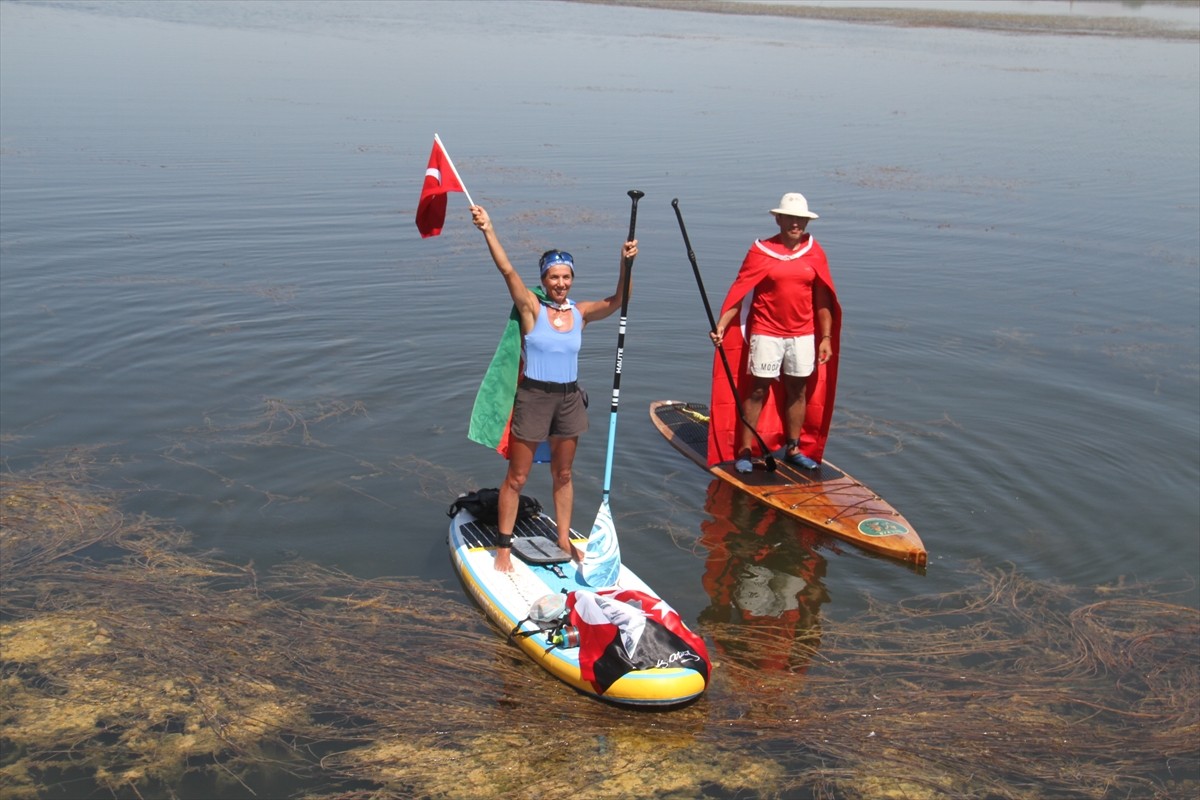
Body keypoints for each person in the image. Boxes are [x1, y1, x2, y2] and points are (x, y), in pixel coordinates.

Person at [470, 205, 637, 572]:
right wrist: (489, 229)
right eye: (554, 277)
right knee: (517, 476)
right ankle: (503, 545)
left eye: (566, 277)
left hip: (569, 400)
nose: (560, 284)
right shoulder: (531, 308)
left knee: (563, 474)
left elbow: (618, 300)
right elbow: (506, 270)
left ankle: (563, 539)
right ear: (544, 280)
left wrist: (625, 265)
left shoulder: (581, 313)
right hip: (534, 398)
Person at [710, 192, 842, 473]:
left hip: (802, 334)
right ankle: (745, 451)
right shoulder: (761, 250)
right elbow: (740, 291)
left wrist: (827, 338)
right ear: (779, 219)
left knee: (798, 390)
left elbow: (823, 299)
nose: (796, 224)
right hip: (766, 332)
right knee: (757, 389)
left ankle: (793, 448)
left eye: (801, 219)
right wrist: (722, 325)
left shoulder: (814, 253)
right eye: (790, 218)